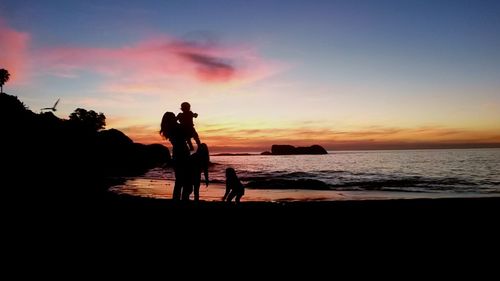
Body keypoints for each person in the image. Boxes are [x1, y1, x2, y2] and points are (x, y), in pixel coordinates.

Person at [160, 111, 192, 200]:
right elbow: (187, 133)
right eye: (173, 116)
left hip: (178, 153)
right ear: (171, 119)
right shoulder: (174, 128)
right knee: (185, 181)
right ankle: (183, 199)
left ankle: (177, 200)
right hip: (182, 153)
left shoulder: (171, 128)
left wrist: (179, 119)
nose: (175, 117)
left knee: (180, 181)